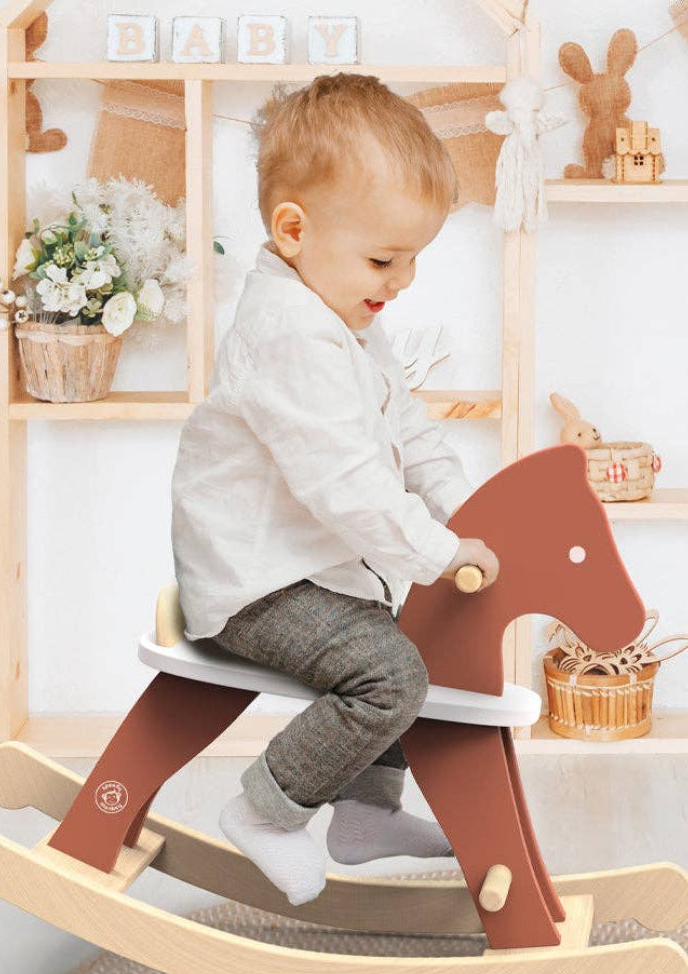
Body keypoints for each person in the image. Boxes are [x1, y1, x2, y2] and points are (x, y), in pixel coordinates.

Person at [171, 73, 499, 906]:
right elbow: (344, 484)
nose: (404, 278)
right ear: (293, 230)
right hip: (257, 582)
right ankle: (268, 812)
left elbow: (408, 429)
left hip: (312, 569)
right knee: (390, 677)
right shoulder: (288, 333)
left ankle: (364, 814)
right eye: (385, 258)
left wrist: (466, 513)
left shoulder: (348, 319)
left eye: (416, 256)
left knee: (410, 640)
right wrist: (434, 550)